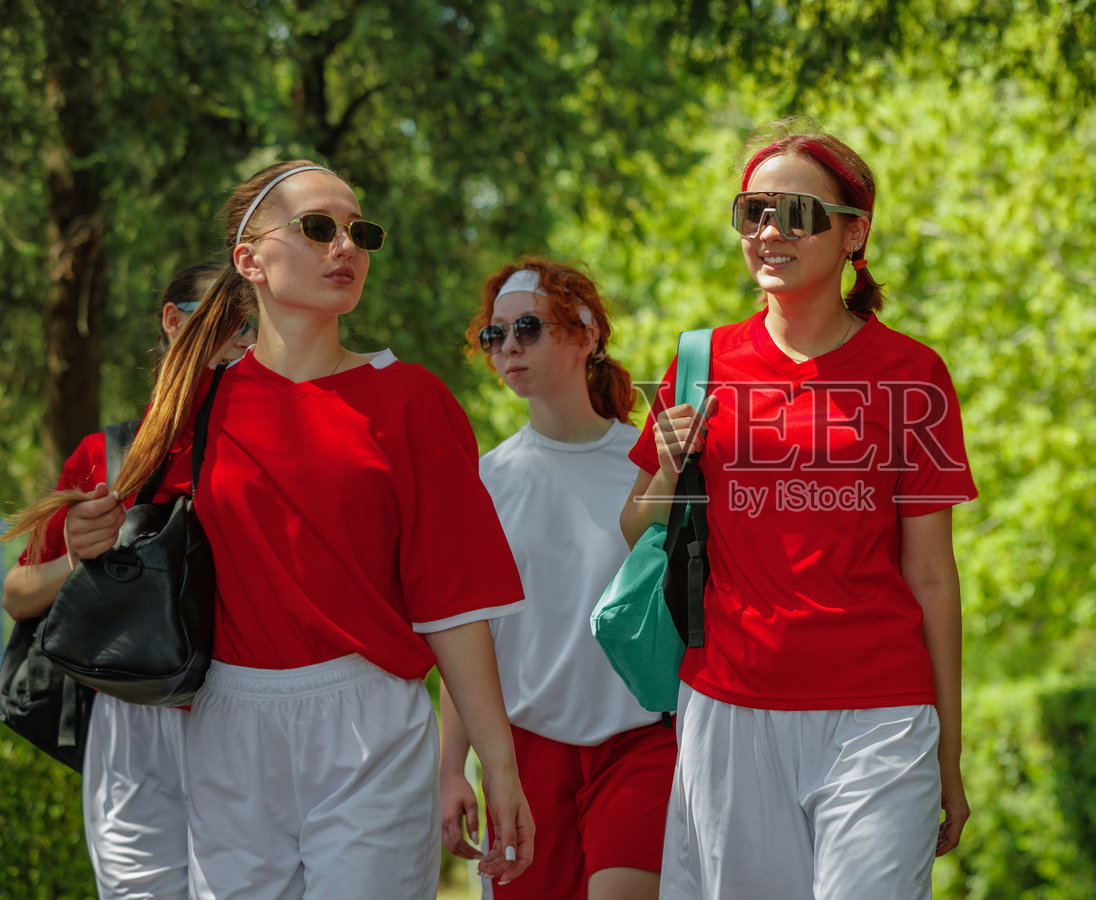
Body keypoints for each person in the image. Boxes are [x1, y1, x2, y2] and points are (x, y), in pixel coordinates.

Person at [4, 160, 537, 899]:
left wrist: (497, 764)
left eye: (360, 231)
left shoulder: (411, 399)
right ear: (249, 261)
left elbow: (452, 606)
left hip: (371, 726)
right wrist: (89, 543)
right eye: (318, 227)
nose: (345, 246)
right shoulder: (194, 410)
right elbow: (107, 554)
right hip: (225, 721)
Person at [618, 122, 977, 899]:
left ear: (855, 233)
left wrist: (949, 754)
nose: (771, 231)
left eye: (799, 213)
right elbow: (632, 527)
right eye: (754, 212)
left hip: (880, 710)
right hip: (731, 706)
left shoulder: (914, 375)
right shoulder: (700, 362)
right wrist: (671, 470)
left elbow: (933, 576)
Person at [2, 260, 255, 900]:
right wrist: (84, 559)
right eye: (226, 322)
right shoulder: (109, 454)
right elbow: (18, 593)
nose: (242, 342)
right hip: (129, 712)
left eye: (254, 327)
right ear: (173, 322)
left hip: (243, 708)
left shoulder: (267, 453)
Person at [440, 258, 677, 899]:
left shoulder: (650, 466)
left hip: (643, 742)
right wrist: (448, 770)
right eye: (495, 335)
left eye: (527, 328)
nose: (508, 345)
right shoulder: (484, 482)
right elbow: (467, 640)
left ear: (587, 333)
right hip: (524, 755)